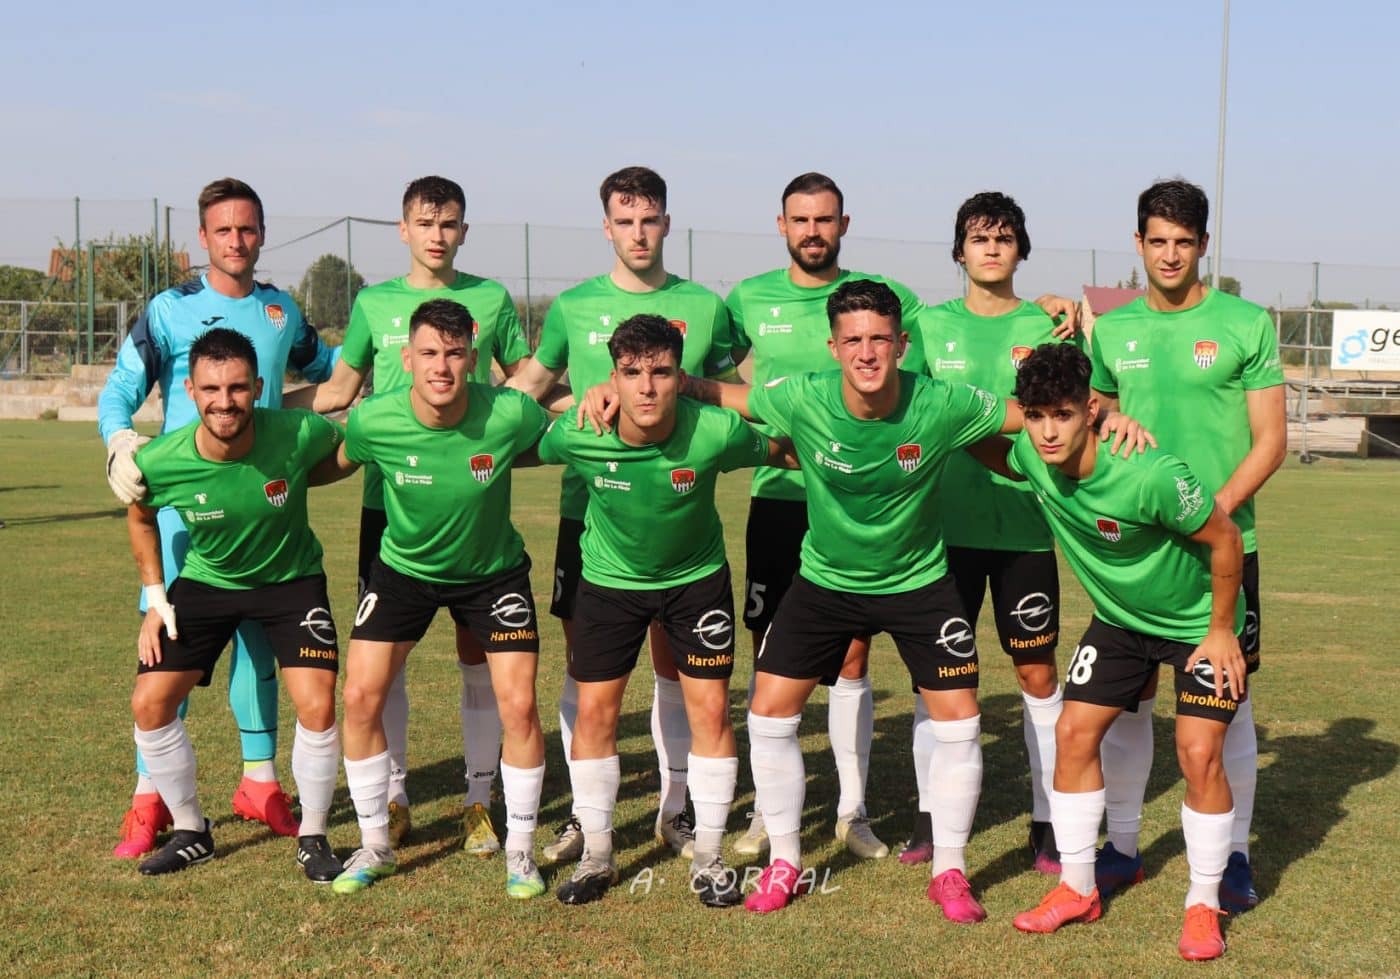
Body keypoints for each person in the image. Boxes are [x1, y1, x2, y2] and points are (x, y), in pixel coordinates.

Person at [679, 279, 1145, 918]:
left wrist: (1102, 410)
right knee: (768, 713)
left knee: (961, 723)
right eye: (853, 341)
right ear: (833, 347)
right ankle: (785, 860)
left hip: (920, 583)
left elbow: (1031, 413)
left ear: (901, 344)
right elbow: (733, 395)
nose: (866, 353)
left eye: (879, 339)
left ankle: (951, 871)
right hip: (825, 584)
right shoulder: (803, 397)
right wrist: (676, 382)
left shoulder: (942, 401)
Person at [970, 342, 1245, 962]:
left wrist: (1222, 630)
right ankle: (1076, 887)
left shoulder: (1150, 473)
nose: (1046, 431)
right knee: (1072, 733)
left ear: (1091, 409)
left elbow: (1226, 540)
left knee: (1199, 751)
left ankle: (1204, 902)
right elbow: (983, 438)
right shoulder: (1031, 456)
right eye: (1035, 415)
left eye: (1061, 415)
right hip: (1120, 623)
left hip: (1198, 621)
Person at [506, 166, 739, 865]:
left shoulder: (704, 305)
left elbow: (735, 392)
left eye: (650, 218)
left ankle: (678, 809)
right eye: (625, 220)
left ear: (667, 223)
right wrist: (574, 406)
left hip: (676, 518)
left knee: (679, 671)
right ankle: (588, 817)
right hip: (591, 516)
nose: (639, 232)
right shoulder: (575, 306)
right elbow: (530, 393)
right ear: (607, 227)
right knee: (590, 673)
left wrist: (693, 385)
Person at [99, 177, 338, 857]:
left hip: (263, 499)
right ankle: (150, 798)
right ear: (202, 239)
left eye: (249, 229)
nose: (238, 241)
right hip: (184, 510)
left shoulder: (280, 310)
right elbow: (120, 388)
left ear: (263, 233)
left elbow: (329, 371)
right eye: (224, 230)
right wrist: (119, 439)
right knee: (167, 651)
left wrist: (393, 371)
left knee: (263, 646)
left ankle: (259, 782)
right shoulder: (170, 310)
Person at [299, 175, 533, 853]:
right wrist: (261, 413)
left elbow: (523, 376)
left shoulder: (489, 299)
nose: (437, 234)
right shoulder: (375, 303)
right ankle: (395, 797)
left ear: (464, 231)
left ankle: (478, 798)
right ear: (403, 230)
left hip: (474, 504)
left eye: (450, 222)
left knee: (478, 658)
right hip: (391, 510)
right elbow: (341, 390)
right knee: (384, 664)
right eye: (425, 222)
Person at [542, 314, 790, 907]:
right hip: (607, 583)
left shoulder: (716, 430)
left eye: (661, 372)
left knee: (710, 712)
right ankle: (599, 856)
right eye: (631, 373)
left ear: (682, 376)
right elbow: (524, 441)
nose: (646, 387)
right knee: (596, 715)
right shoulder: (580, 432)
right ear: (613, 379)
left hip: (696, 584)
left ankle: (708, 856)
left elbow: (783, 449)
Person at [1087, 179, 1285, 911]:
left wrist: (1214, 515)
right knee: (1129, 697)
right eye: (1156, 241)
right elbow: (1098, 408)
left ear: (1203, 245)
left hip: (1224, 539)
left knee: (1225, 695)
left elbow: (1273, 440)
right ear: (1137, 244)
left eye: (1183, 242)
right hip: (1137, 549)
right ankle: (1123, 847)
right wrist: (1108, 417)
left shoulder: (1244, 323)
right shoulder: (1112, 329)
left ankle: (1232, 856)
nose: (1169, 255)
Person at [722, 172, 924, 859]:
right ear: (781, 225)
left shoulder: (878, 300)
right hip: (778, 501)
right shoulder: (747, 297)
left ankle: (853, 809)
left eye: (825, 219)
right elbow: (710, 377)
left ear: (845, 224)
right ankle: (765, 809)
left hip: (858, 504)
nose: (813, 230)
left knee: (851, 651)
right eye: (800, 219)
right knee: (768, 651)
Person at [327, 299, 550, 900]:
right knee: (358, 695)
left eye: (455, 354)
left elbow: (561, 421)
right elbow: (331, 459)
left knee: (519, 704)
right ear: (408, 359)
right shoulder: (375, 420)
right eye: (429, 353)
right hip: (403, 572)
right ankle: (375, 843)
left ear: (474, 360)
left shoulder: (507, 411)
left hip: (493, 575)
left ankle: (521, 850)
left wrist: (601, 398)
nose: (442, 367)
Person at [896, 192, 1079, 870]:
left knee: (1035, 670)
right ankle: (929, 815)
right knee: (936, 678)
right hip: (939, 533)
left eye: (1005, 237)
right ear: (959, 251)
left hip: (1026, 529)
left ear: (1021, 249)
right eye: (979, 238)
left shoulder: (1051, 324)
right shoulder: (927, 324)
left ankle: (1049, 817)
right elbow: (902, 404)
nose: (992, 247)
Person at [125, 328, 347, 882]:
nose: (225, 401)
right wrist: (157, 596)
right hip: (207, 582)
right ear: (191, 391)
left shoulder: (297, 430)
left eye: (238, 388)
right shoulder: (163, 458)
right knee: (150, 703)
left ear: (259, 388)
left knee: (317, 705)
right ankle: (191, 831)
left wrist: (299, 478)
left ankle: (315, 836)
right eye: (212, 389)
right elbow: (140, 514)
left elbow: (347, 451)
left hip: (291, 579)